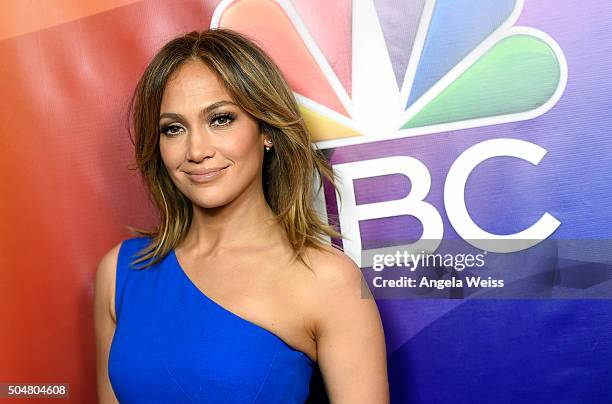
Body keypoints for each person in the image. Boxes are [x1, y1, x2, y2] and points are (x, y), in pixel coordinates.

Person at [94, 28, 389, 403]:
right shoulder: (121, 272)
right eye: (173, 128)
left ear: (266, 129)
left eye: (220, 119)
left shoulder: (328, 280)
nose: (196, 149)